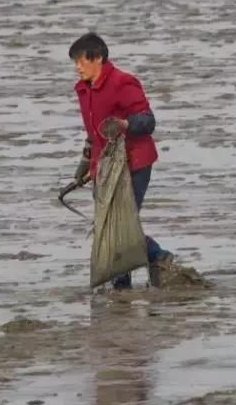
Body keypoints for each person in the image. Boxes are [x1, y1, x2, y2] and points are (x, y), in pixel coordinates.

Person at [69, 32, 172, 289]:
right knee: (107, 225)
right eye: (75, 62)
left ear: (99, 58)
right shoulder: (83, 90)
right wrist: (85, 164)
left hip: (134, 163)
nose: (77, 67)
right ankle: (123, 281)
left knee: (122, 224)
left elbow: (148, 121)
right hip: (104, 167)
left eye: (81, 61)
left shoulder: (122, 83)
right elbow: (94, 133)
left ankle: (159, 258)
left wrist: (125, 124)